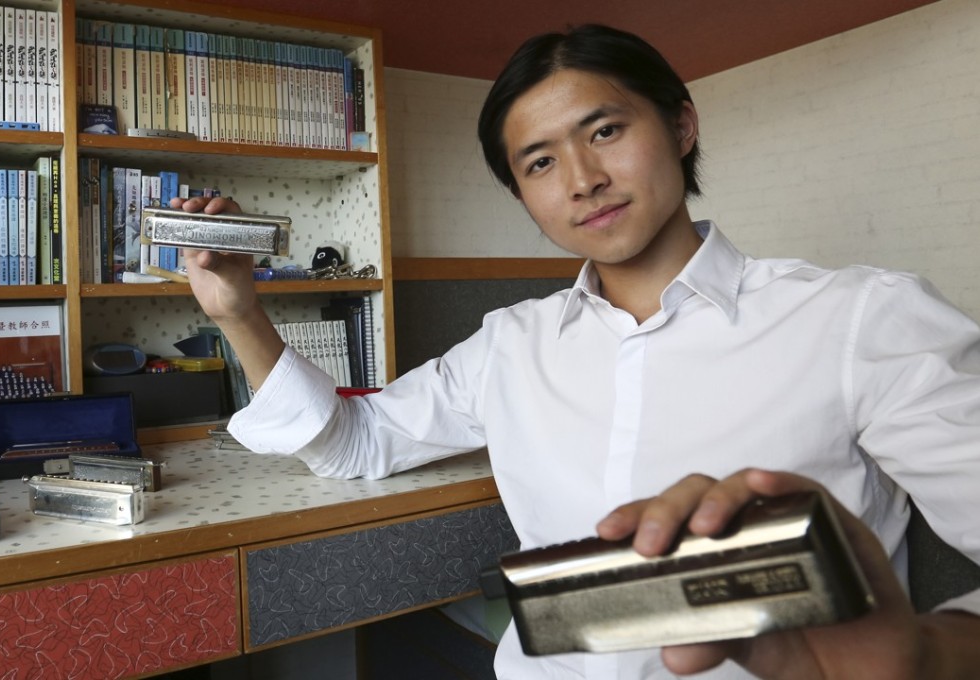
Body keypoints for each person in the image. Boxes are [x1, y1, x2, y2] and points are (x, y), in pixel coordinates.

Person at [176, 24, 980, 679]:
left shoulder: (862, 322)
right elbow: (355, 441)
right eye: (541, 162)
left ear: (681, 125)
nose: (583, 178)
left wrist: (933, 657)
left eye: (606, 131)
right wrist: (240, 312)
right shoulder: (510, 344)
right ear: (524, 195)